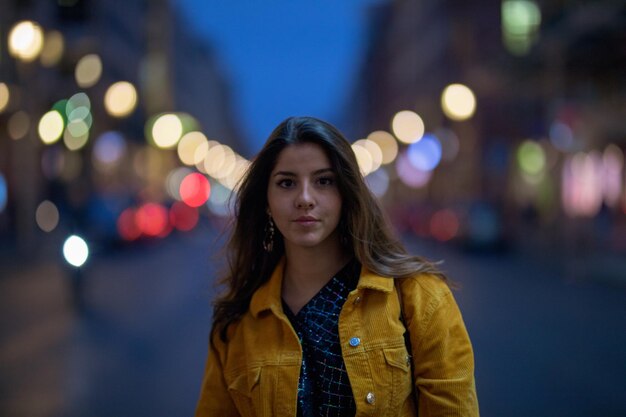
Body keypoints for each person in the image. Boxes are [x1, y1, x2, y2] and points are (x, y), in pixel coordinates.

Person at [195, 116, 479, 417]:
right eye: (287, 183)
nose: (305, 198)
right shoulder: (238, 323)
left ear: (346, 192)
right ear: (266, 200)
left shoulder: (420, 297)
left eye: (324, 181)